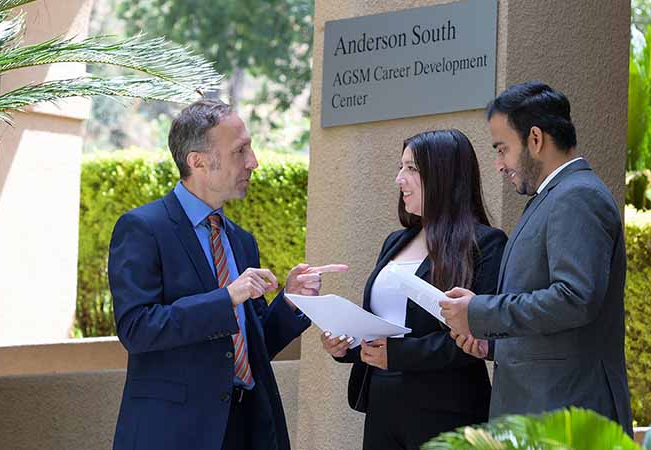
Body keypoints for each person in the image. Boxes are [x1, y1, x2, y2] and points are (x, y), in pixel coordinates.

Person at [108, 99, 346, 450]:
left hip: (246, 427)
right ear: (198, 162)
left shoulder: (240, 240)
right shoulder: (142, 228)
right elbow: (136, 329)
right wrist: (227, 297)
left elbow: (254, 345)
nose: (254, 161)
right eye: (240, 150)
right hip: (175, 433)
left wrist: (290, 302)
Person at [439, 81, 634, 436]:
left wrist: (480, 312)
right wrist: (491, 342)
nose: (499, 164)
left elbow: (574, 299)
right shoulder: (555, 197)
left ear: (535, 138)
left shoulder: (577, 197)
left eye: (502, 149)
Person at [320, 129, 507, 449]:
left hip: (448, 411)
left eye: (411, 168)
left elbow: (475, 336)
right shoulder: (395, 241)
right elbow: (379, 322)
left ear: (443, 175)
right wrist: (345, 344)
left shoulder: (486, 244)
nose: (399, 179)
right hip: (382, 406)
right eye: (400, 167)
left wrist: (397, 354)